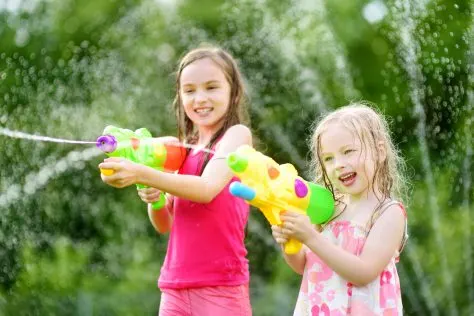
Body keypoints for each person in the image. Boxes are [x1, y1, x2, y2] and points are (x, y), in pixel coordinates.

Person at [99, 45, 253, 316]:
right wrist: (155, 197)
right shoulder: (183, 150)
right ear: (180, 96)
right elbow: (165, 224)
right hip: (174, 287)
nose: (200, 98)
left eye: (211, 87)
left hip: (221, 287)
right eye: (189, 90)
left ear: (234, 91)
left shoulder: (236, 137)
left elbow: (206, 189)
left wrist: (142, 173)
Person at [272, 103, 409, 315]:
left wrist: (309, 237)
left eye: (348, 152)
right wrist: (290, 240)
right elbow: (304, 266)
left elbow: (364, 272)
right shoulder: (329, 207)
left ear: (380, 151)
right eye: (329, 158)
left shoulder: (388, 212)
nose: (339, 164)